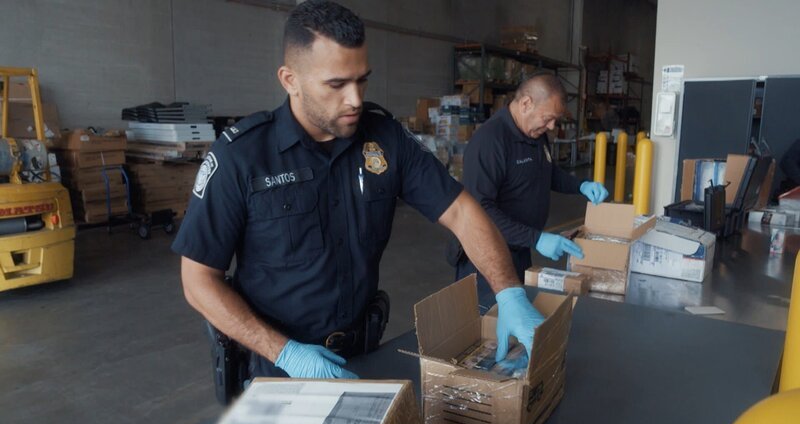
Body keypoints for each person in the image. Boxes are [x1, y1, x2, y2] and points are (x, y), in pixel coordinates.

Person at [172, 0, 545, 383]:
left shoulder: (385, 140)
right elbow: (198, 280)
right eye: (336, 84)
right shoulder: (242, 157)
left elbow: (462, 212)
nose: (354, 99)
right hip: (277, 366)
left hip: (363, 355)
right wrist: (285, 352)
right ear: (290, 80)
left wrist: (509, 294)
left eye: (361, 80)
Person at [454, 73, 609, 303]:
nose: (552, 126)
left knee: (519, 316)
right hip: (487, 258)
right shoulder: (490, 141)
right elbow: (479, 212)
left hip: (519, 248)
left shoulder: (535, 135)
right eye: (548, 118)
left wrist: (582, 185)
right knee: (488, 326)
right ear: (526, 103)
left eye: (555, 119)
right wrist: (536, 239)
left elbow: (547, 172)